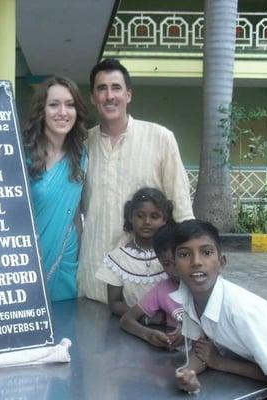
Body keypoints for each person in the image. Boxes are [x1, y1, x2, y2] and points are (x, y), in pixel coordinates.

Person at [78, 58, 194, 304]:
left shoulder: (160, 138)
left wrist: (189, 267)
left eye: (116, 88)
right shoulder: (82, 145)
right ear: (93, 97)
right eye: (102, 88)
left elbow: (182, 209)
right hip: (92, 281)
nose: (109, 96)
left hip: (146, 288)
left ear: (128, 95)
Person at [171, 219, 267, 393]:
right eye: (184, 254)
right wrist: (186, 374)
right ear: (174, 267)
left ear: (221, 263)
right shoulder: (189, 297)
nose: (196, 261)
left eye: (206, 252)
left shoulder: (241, 311)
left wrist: (220, 362)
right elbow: (202, 351)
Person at [23, 76, 88, 301]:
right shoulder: (22, 156)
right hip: (26, 259)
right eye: (54, 104)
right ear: (42, 110)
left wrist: (80, 257)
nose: (63, 112)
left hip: (65, 257)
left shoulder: (81, 157)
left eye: (70, 105)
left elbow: (75, 214)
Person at [95, 187, 173, 316]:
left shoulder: (173, 254)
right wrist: (144, 318)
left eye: (154, 216)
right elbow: (115, 303)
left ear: (164, 219)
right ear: (131, 217)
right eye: (140, 216)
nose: (147, 222)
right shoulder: (117, 259)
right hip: (133, 325)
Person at [120, 224, 183, 350]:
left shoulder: (208, 287)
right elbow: (126, 320)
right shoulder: (162, 290)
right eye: (166, 264)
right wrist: (149, 335)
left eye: (178, 261)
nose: (174, 269)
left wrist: (190, 332)